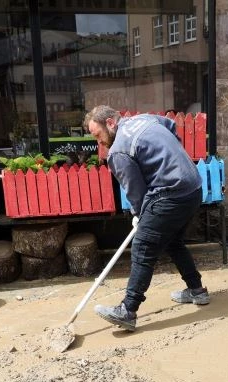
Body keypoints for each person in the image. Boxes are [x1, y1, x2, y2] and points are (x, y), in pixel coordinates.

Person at [84, 106, 209, 332]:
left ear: (110, 123)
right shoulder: (142, 119)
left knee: (143, 246)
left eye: (98, 135)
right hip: (193, 186)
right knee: (173, 242)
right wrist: (171, 157)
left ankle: (128, 310)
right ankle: (197, 291)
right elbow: (171, 126)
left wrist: (139, 215)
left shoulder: (119, 151)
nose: (99, 143)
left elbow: (136, 191)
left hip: (171, 193)